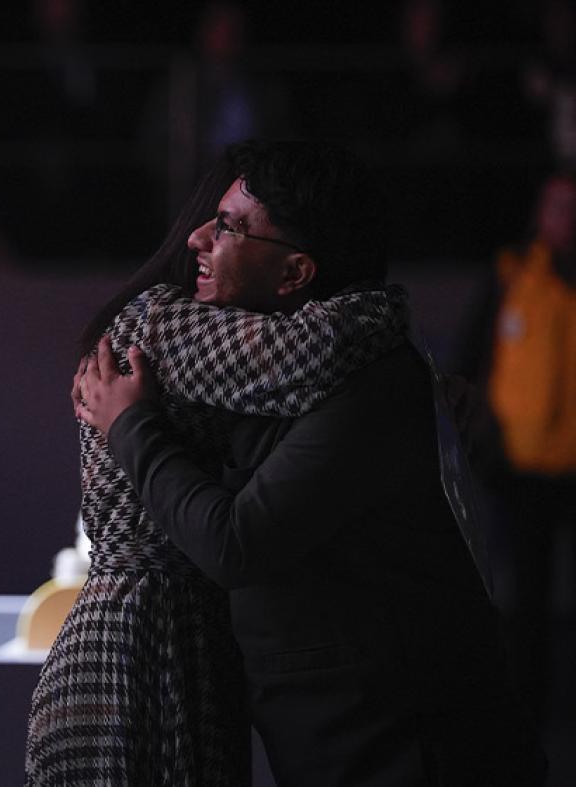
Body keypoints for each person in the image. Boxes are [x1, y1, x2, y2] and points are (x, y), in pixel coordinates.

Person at [74, 140, 544, 785]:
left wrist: (131, 426)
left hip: (414, 748)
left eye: (232, 226)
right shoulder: (283, 376)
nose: (198, 240)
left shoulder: (369, 384)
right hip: (352, 736)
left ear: (296, 273)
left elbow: (235, 544)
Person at [25, 146, 410, 785]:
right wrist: (390, 312)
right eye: (220, 219)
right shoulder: (165, 325)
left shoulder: (191, 321)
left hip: (174, 633)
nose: (208, 237)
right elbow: (321, 349)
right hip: (137, 641)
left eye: (230, 226)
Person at [457, 171, 576, 725]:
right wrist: (481, 438)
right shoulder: (510, 274)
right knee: (523, 597)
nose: (566, 219)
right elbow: (468, 360)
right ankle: (526, 707)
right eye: (557, 207)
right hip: (521, 467)